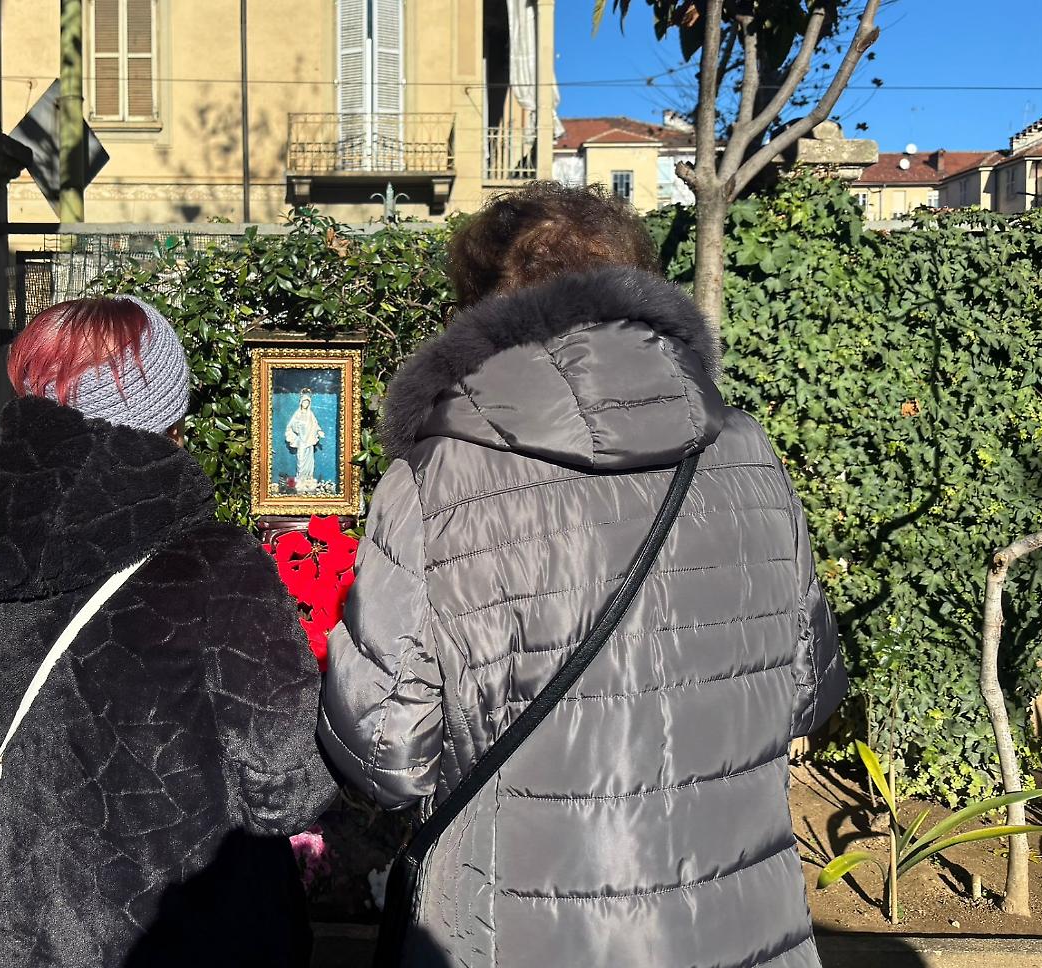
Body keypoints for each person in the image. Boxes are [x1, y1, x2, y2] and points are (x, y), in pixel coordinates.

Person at [319, 183, 847, 968]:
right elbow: (810, 693)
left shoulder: (435, 481)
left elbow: (387, 750)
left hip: (516, 931)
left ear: (482, 313)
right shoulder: (747, 452)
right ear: (637, 291)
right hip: (742, 928)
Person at [0, 295, 337, 968]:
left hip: (17, 932)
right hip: (185, 938)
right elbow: (288, 789)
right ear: (166, 414)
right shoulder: (214, 569)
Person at [285, 390, 325, 493]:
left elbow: (315, 425)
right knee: (301, 461)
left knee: (309, 461)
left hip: (309, 441)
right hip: (302, 441)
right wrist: (297, 427)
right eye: (304, 402)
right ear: (301, 402)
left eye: (307, 402)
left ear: (309, 403)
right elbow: (291, 425)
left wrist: (319, 431)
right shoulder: (297, 414)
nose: (305, 404)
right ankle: (300, 479)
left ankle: (308, 479)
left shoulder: (310, 414)